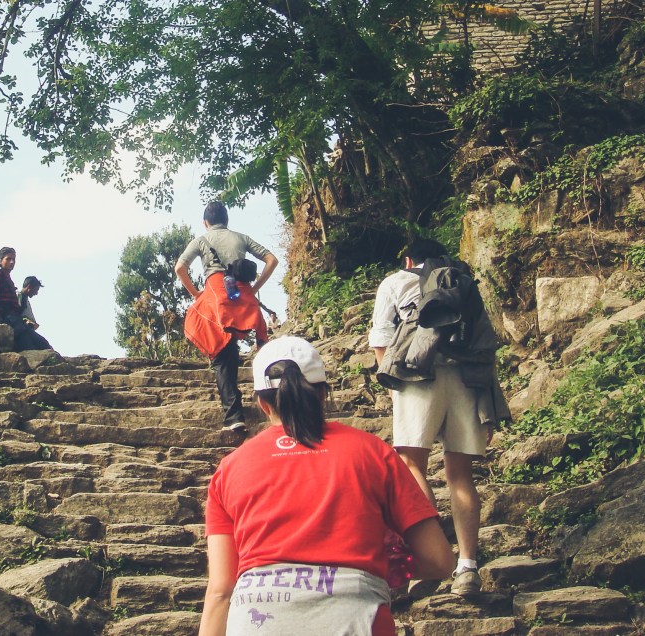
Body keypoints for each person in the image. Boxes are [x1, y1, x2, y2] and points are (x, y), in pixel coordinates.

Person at [199, 337, 455, 636]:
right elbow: (439, 560)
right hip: (356, 617)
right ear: (323, 393)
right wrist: (387, 565)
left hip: (257, 620)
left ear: (262, 403)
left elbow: (220, 591)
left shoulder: (230, 469)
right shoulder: (373, 452)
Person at [369, 238, 507, 598]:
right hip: (466, 379)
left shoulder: (395, 282)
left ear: (408, 258)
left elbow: (381, 338)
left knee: (412, 466)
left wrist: (392, 386)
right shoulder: (460, 281)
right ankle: (468, 568)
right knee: (461, 475)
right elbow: (483, 339)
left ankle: (432, 556)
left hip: (417, 380)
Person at [175, 201, 279, 431]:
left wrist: (195, 294)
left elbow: (179, 268)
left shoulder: (201, 240)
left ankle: (234, 417)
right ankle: (279, 402)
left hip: (217, 298)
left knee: (222, 355)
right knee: (263, 347)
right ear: (227, 220)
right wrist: (253, 288)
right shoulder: (241, 237)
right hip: (243, 297)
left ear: (205, 223)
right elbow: (272, 260)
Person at [0, 248, 50, 351]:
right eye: (8, 259)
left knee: (42, 342)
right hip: (6, 315)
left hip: (14, 317)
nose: (12, 262)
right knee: (26, 341)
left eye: (14, 260)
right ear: (0, 261)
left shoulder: (9, 280)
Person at [18, 275, 52, 350]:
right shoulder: (20, 297)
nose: (36, 293)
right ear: (29, 287)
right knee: (43, 344)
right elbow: (18, 314)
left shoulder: (24, 298)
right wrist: (30, 323)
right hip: (24, 329)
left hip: (27, 329)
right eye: (36, 290)